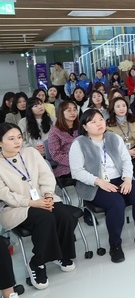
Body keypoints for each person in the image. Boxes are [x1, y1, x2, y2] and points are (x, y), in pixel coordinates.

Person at [69, 110, 135, 264]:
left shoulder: (113, 138)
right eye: (93, 122)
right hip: (95, 184)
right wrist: (99, 181)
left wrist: (128, 179)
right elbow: (76, 172)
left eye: (100, 119)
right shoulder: (79, 144)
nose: (99, 124)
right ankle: (115, 244)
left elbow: (126, 161)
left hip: (120, 179)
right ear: (85, 126)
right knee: (116, 204)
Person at [0, 123, 79, 290]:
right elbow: (5, 194)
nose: (17, 142)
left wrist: (49, 195)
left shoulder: (30, 153)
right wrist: (32, 202)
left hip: (44, 198)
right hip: (16, 208)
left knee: (65, 216)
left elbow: (46, 176)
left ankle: (61, 253)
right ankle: (37, 263)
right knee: (45, 218)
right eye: (11, 138)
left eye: (19, 137)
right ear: (0, 142)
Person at [105, 97, 135, 189]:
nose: (121, 108)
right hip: (119, 156)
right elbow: (110, 146)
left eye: (123, 106)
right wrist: (127, 152)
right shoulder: (108, 125)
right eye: (118, 106)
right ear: (113, 109)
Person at [48, 101, 80, 179]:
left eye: (74, 109)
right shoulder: (55, 131)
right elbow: (56, 154)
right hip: (67, 167)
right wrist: (75, 162)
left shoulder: (81, 127)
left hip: (86, 163)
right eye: (69, 110)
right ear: (61, 113)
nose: (73, 112)